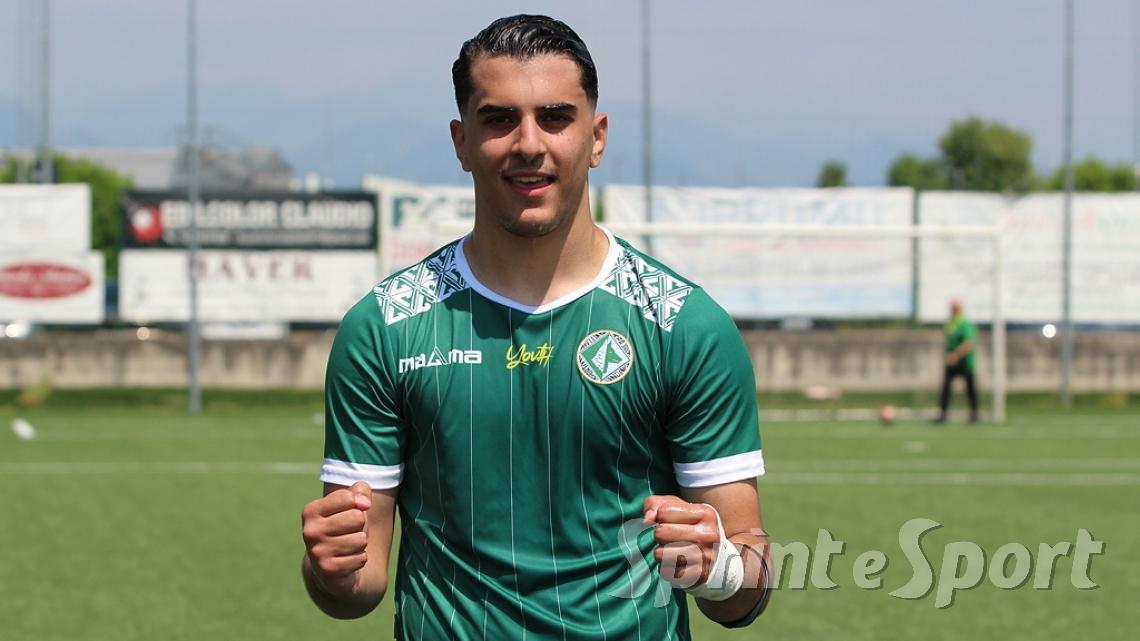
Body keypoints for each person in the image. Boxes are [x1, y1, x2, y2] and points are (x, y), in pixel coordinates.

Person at [299, 14, 770, 639]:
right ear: (461, 141)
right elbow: (357, 587)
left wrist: (723, 568)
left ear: (596, 138)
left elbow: (746, 579)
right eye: (499, 119)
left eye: (555, 117)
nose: (528, 143)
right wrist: (329, 569)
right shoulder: (385, 326)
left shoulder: (684, 324)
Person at [934, 298, 979, 423]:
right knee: (946, 389)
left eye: (954, 307)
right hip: (952, 365)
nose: (951, 309)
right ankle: (942, 415)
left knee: (970, 389)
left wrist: (956, 355)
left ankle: (974, 414)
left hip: (965, 363)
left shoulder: (965, 323)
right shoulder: (950, 323)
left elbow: (968, 343)